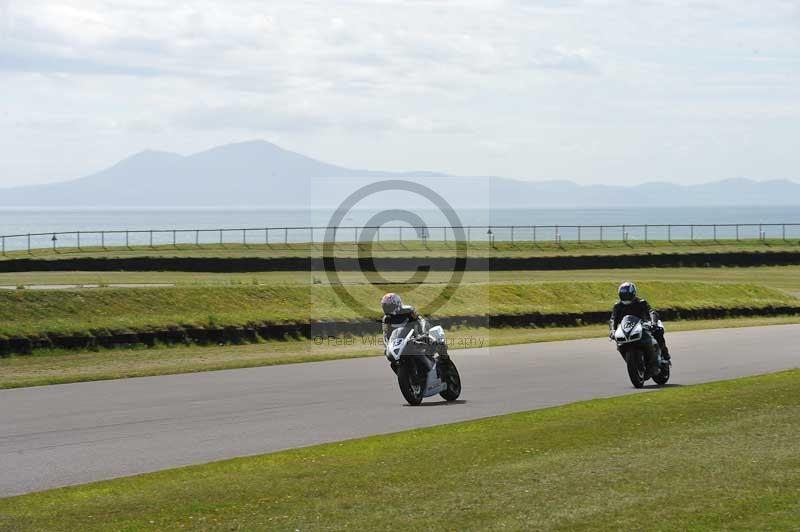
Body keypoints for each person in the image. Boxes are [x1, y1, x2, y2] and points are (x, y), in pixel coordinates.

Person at [610, 282, 671, 373]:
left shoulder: (641, 302)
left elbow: (651, 312)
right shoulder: (617, 306)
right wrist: (613, 330)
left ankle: (665, 356)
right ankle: (633, 362)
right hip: (627, 328)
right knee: (619, 343)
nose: (626, 297)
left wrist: (653, 323)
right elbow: (613, 319)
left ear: (633, 294)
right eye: (623, 295)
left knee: (658, 331)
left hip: (643, 325)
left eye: (627, 295)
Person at [381, 293, 449, 366]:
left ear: (397, 304)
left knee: (436, 342)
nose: (387, 309)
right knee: (394, 361)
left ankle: (446, 361)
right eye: (385, 307)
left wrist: (424, 333)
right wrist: (387, 346)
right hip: (401, 343)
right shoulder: (386, 319)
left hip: (416, 337)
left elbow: (421, 321)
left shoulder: (408, 310)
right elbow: (385, 335)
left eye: (389, 306)